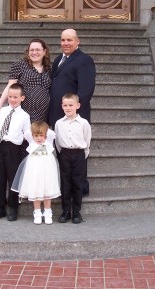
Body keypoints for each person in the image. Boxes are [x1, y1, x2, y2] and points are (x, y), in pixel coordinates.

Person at [48, 29, 96, 196]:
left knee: (77, 154)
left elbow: (86, 90)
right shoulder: (57, 60)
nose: (65, 43)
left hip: (74, 116)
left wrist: (73, 115)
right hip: (57, 114)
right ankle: (65, 186)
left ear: (78, 41)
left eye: (69, 40)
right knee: (62, 152)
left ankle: (80, 187)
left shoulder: (84, 60)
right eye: (62, 40)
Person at [0, 83, 31, 222]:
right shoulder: (2, 111)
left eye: (15, 97)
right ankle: (0, 207)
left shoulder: (25, 116)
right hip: (0, 145)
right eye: (10, 97)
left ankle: (13, 207)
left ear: (22, 98)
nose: (12, 99)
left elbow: (26, 133)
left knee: (13, 177)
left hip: (14, 148)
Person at [11, 121, 61, 225]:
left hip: (47, 167)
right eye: (36, 136)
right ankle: (37, 212)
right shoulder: (31, 140)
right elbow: (27, 133)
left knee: (47, 189)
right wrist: (35, 128)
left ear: (46, 135)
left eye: (41, 135)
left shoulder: (48, 140)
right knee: (35, 189)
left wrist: (44, 129)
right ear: (33, 135)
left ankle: (47, 212)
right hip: (34, 168)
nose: (39, 138)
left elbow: (52, 134)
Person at [54, 93, 92, 224]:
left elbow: (87, 140)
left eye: (71, 105)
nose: (68, 107)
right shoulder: (59, 123)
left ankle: (76, 211)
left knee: (77, 183)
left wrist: (83, 153)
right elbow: (58, 142)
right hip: (65, 154)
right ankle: (66, 211)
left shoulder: (83, 123)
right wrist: (63, 154)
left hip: (79, 155)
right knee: (65, 183)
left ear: (78, 105)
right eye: (65, 105)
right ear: (62, 106)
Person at [0, 39, 51, 122]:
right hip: (22, 112)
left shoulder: (48, 69)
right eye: (31, 50)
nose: (34, 52)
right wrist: (0, 104)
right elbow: (10, 85)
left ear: (44, 51)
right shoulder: (20, 65)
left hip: (43, 115)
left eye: (38, 50)